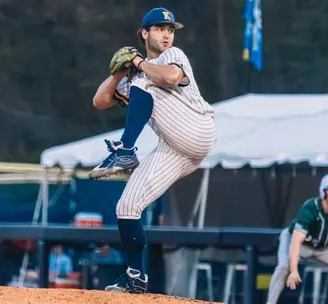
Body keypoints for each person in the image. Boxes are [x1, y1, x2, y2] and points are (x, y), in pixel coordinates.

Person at [91, 7, 217, 294]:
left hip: (197, 129)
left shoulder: (174, 55)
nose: (167, 34)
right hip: (175, 148)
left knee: (145, 79)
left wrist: (136, 61)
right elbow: (100, 101)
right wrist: (119, 72)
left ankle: (125, 150)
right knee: (126, 207)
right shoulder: (139, 74)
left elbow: (171, 78)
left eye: (170, 30)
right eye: (160, 29)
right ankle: (136, 277)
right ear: (144, 33)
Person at [266, 173, 328, 304]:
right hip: (298, 244)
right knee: (284, 266)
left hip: (324, 247)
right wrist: (294, 270)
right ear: (323, 192)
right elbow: (296, 242)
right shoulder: (310, 207)